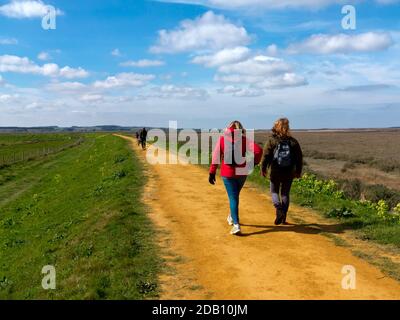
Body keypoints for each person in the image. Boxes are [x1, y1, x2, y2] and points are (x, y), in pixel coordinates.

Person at [209, 121, 263, 235]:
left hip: (227, 173)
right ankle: (231, 216)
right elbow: (259, 151)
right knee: (235, 196)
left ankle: (236, 225)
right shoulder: (244, 140)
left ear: (228, 128)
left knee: (233, 197)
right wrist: (252, 163)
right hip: (242, 172)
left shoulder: (223, 139)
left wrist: (212, 172)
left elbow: (216, 156)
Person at [261, 118, 303, 225]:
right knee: (285, 194)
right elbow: (299, 158)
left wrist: (263, 168)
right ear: (287, 127)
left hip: (275, 171)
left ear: (276, 127)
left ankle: (279, 210)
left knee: (274, 192)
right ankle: (283, 217)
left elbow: (265, 156)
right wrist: (298, 171)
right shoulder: (293, 141)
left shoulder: (271, 140)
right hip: (289, 172)